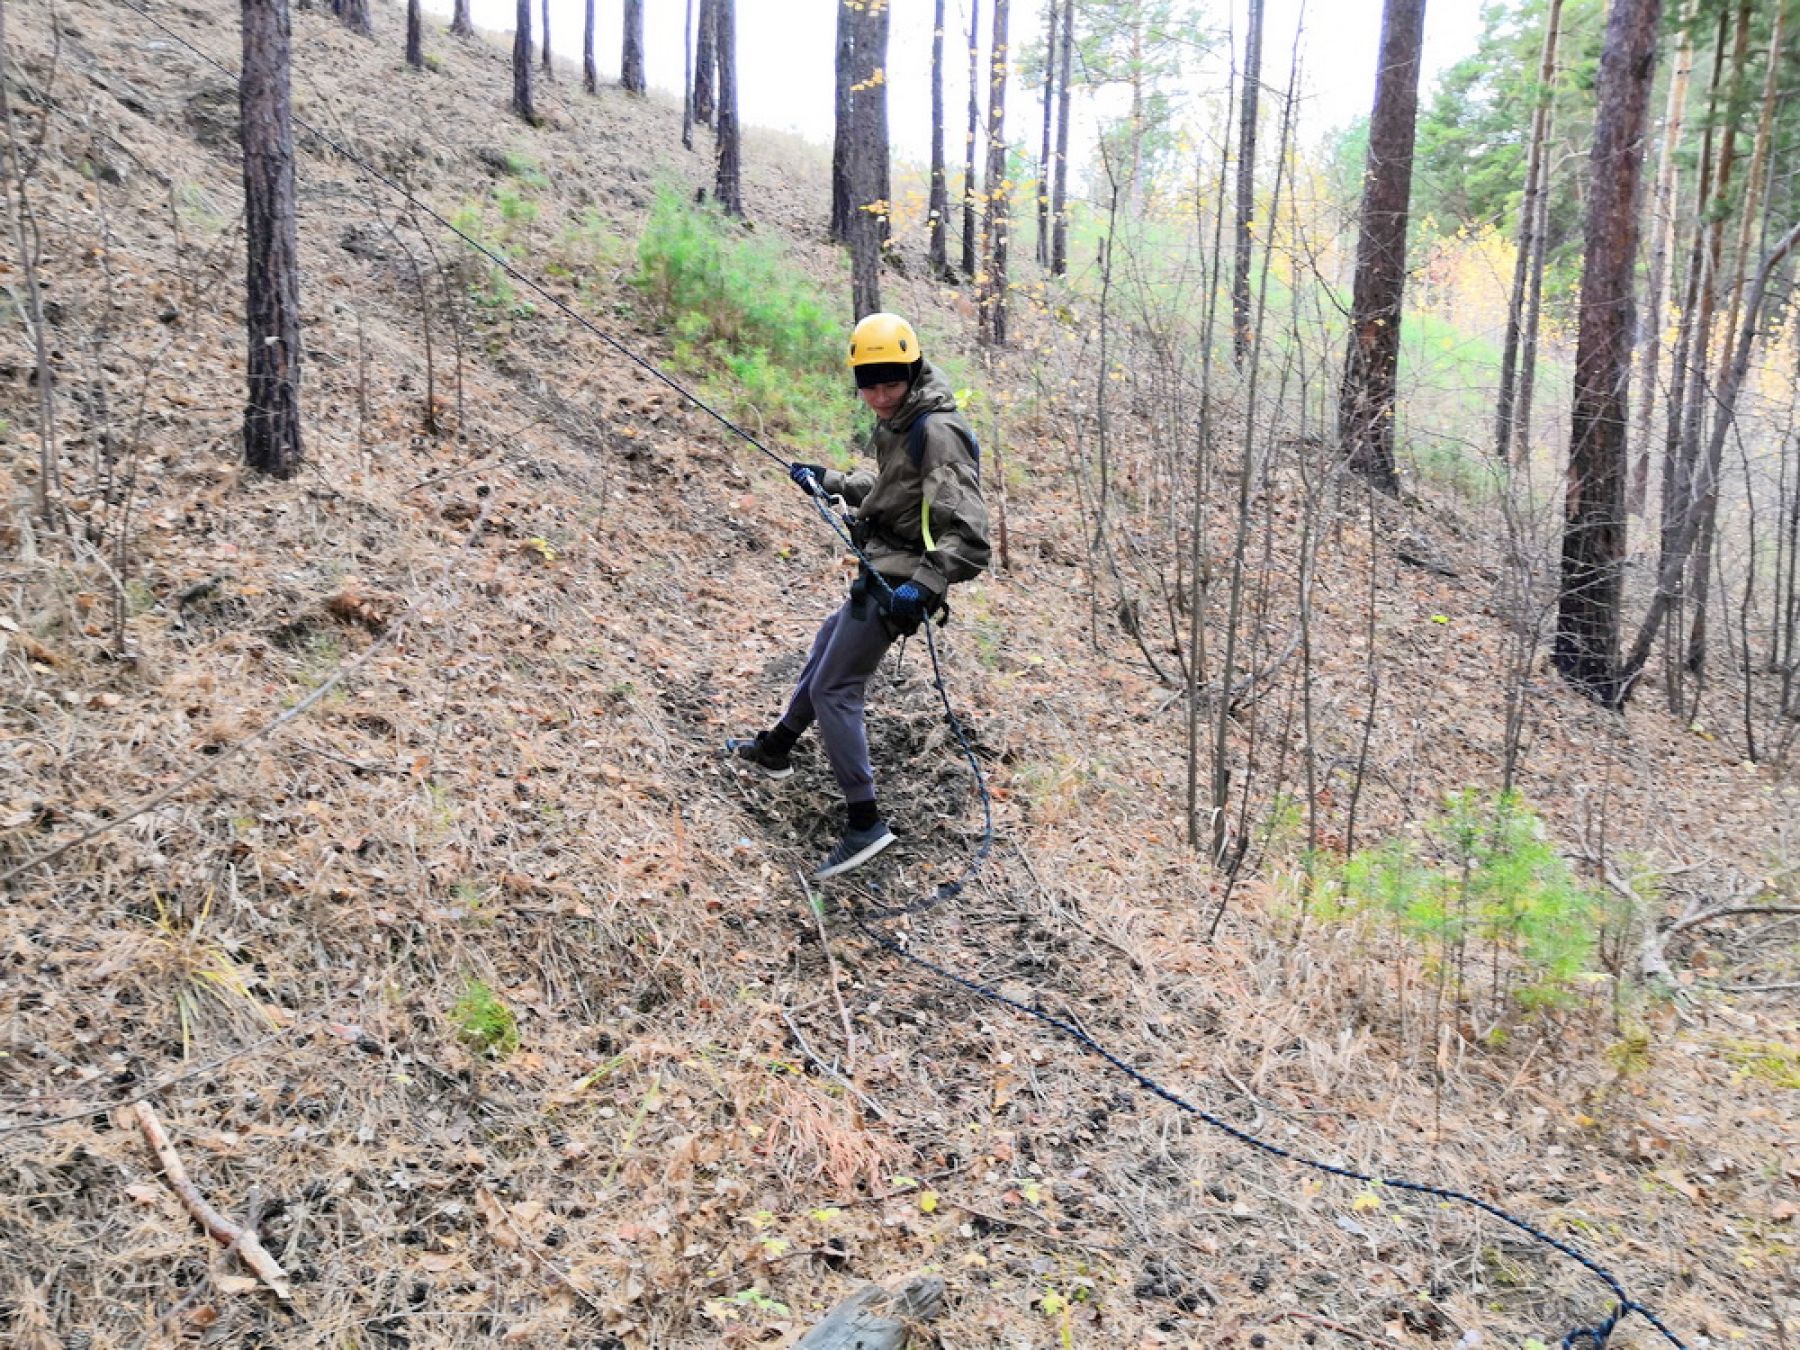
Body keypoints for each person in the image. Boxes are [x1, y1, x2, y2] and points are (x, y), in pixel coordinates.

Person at [728, 312, 990, 879]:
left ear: (912, 369)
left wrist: (923, 588)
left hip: (903, 577)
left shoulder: (935, 431)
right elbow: (894, 491)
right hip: (885, 565)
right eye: (867, 384)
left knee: (835, 687)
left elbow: (970, 534)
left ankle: (865, 820)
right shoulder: (903, 421)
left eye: (888, 381)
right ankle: (776, 749)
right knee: (827, 644)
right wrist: (831, 480)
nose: (877, 394)